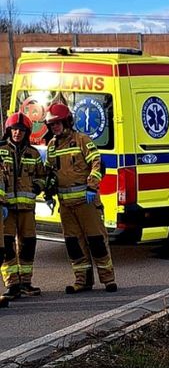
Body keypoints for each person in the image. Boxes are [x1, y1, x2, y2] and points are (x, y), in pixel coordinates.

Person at [44, 102, 117, 293]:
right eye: (52, 125)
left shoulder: (82, 139)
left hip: (87, 202)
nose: (55, 127)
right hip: (66, 206)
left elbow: (97, 163)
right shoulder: (51, 146)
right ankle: (82, 281)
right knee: (74, 244)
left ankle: (108, 280)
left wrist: (92, 186)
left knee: (97, 241)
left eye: (58, 123)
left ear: (67, 121)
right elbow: (50, 172)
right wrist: (49, 192)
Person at [0, 112, 47, 299]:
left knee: (28, 245)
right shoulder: (1, 150)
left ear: (26, 132)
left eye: (21, 130)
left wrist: (38, 186)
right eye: (14, 129)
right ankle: (12, 285)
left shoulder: (33, 154)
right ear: (8, 130)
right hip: (7, 210)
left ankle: (26, 283)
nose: (17, 133)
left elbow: (42, 176)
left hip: (27, 209)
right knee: (8, 246)